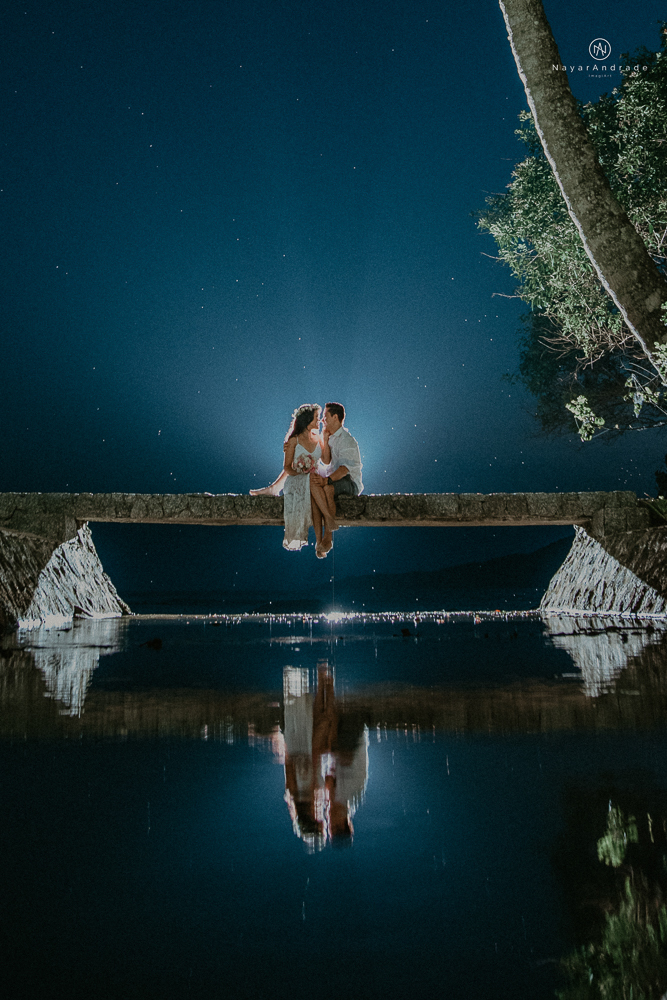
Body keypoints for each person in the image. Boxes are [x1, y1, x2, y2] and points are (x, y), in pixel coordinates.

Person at [251, 404, 324, 551]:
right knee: (311, 481)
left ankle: (319, 542)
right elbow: (287, 468)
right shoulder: (293, 441)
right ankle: (274, 488)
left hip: (314, 480)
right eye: (316, 417)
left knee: (315, 486)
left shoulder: (319, 438)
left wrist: (326, 437)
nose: (319, 421)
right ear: (307, 420)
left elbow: (326, 459)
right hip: (297, 479)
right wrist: (302, 473)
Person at [309, 402, 363, 556]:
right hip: (335, 476)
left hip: (350, 481)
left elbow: (344, 469)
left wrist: (327, 481)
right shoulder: (332, 437)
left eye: (325, 416)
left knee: (327, 488)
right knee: (314, 483)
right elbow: (326, 461)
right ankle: (320, 540)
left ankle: (328, 537)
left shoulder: (347, 440)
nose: (322, 420)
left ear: (335, 417)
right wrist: (325, 439)